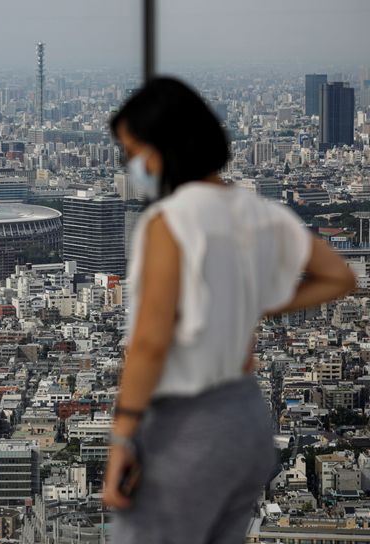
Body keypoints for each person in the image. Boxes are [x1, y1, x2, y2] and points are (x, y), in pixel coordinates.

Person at [103, 77, 357, 543]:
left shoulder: (170, 222)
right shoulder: (260, 213)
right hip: (245, 419)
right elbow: (340, 277)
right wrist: (256, 305)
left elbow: (150, 340)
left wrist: (122, 437)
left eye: (135, 152)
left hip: (185, 424)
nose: (132, 166)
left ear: (166, 147)